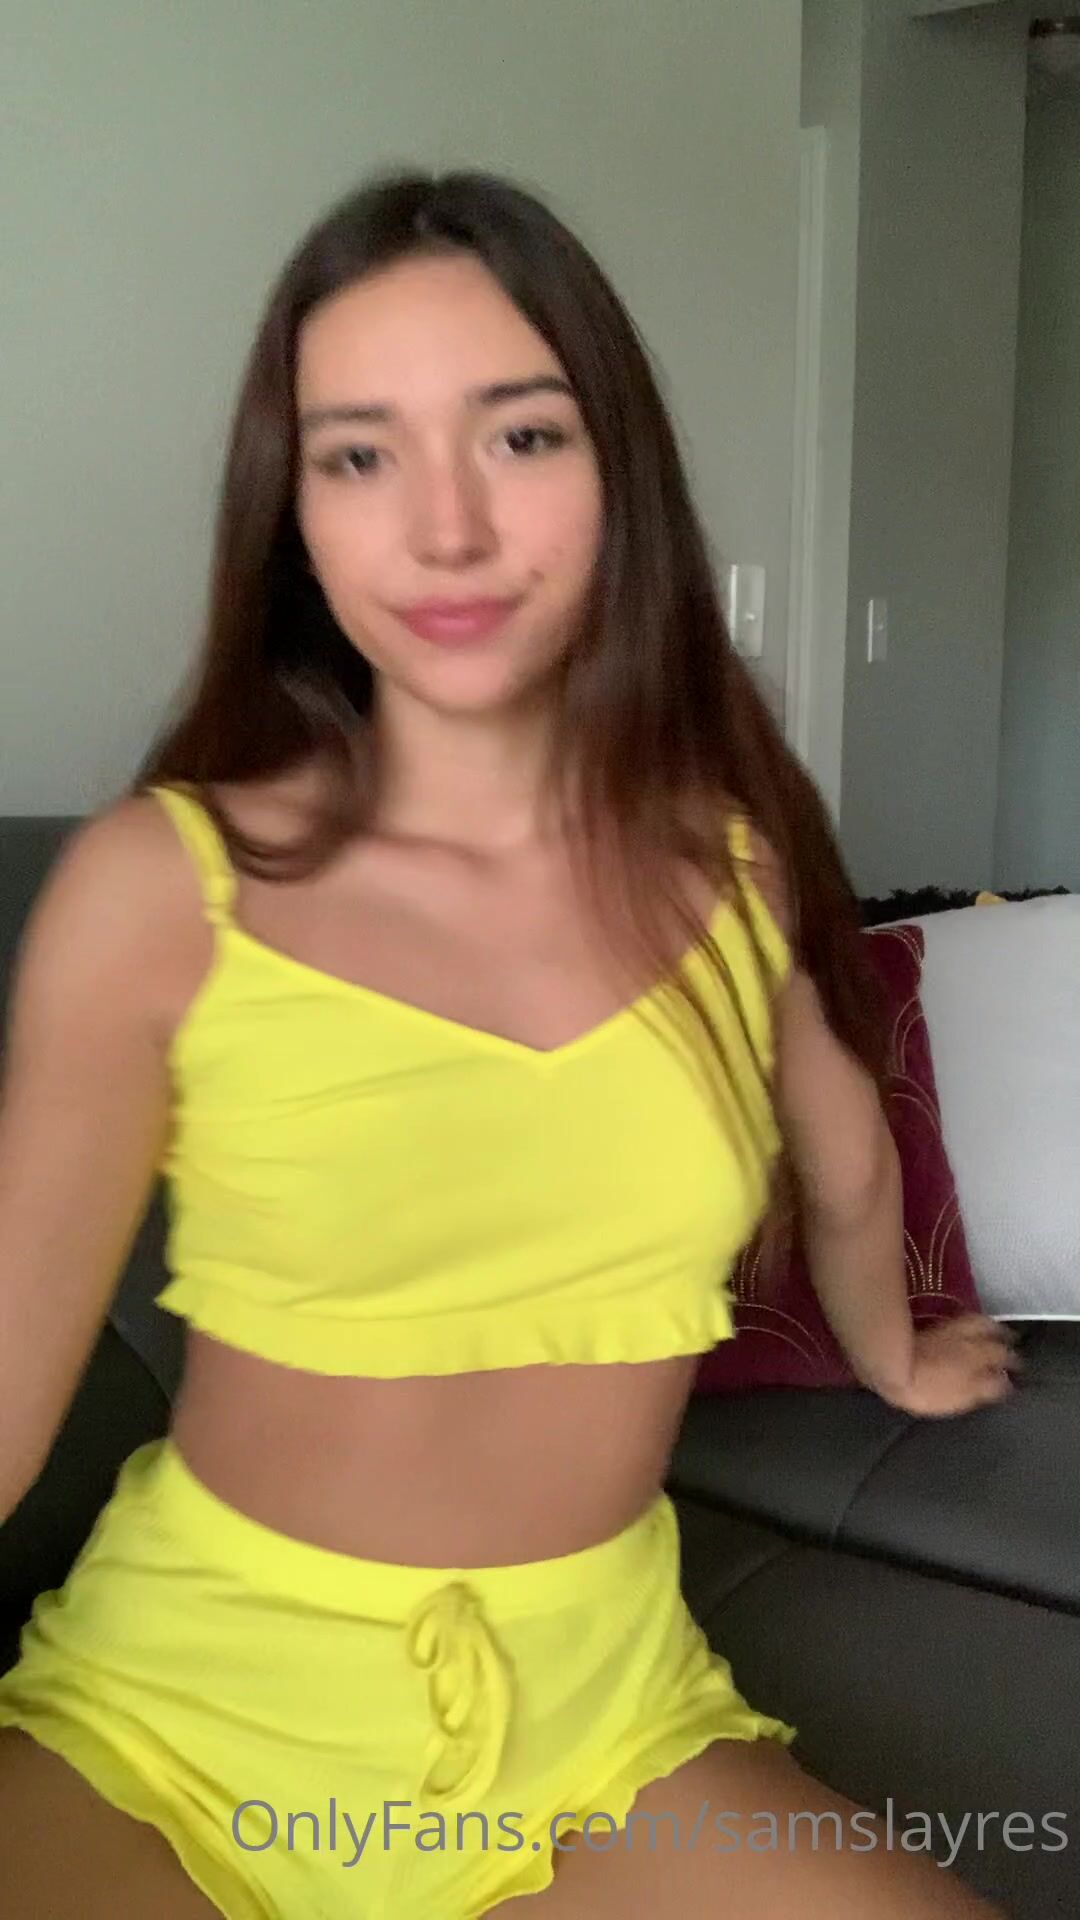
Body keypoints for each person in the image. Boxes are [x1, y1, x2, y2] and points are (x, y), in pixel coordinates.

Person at [0, 170, 1016, 1919]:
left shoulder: (730, 870)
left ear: (621, 474)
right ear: (293, 515)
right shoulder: (158, 888)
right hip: (181, 1718)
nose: (447, 529)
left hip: (598, 1714)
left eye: (523, 437)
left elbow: (848, 1163)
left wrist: (898, 1359)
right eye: (360, 456)